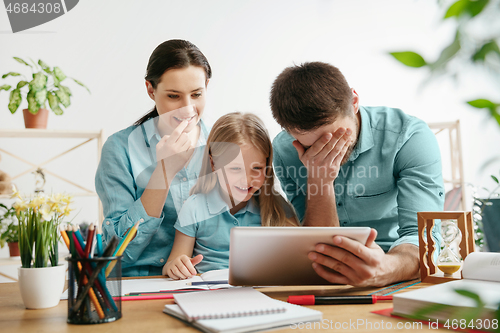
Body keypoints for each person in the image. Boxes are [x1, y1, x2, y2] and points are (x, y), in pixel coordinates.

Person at [270, 62, 444, 287]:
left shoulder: (409, 137)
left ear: (353, 103)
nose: (326, 151)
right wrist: (320, 182)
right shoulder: (286, 150)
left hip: (398, 268)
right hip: (327, 276)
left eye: (334, 137)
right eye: (312, 146)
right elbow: (318, 245)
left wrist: (384, 268)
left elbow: (423, 239)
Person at [95, 39, 212, 276]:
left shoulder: (222, 145)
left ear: (207, 86)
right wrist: (164, 172)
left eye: (196, 94)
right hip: (141, 283)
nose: (187, 109)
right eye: (173, 96)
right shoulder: (120, 149)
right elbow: (116, 250)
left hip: (207, 282)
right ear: (151, 89)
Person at [162, 112, 299, 279]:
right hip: (208, 293)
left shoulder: (277, 208)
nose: (247, 179)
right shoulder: (194, 207)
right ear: (213, 164)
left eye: (257, 169)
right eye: (235, 169)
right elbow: (172, 263)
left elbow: (299, 259)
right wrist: (176, 266)